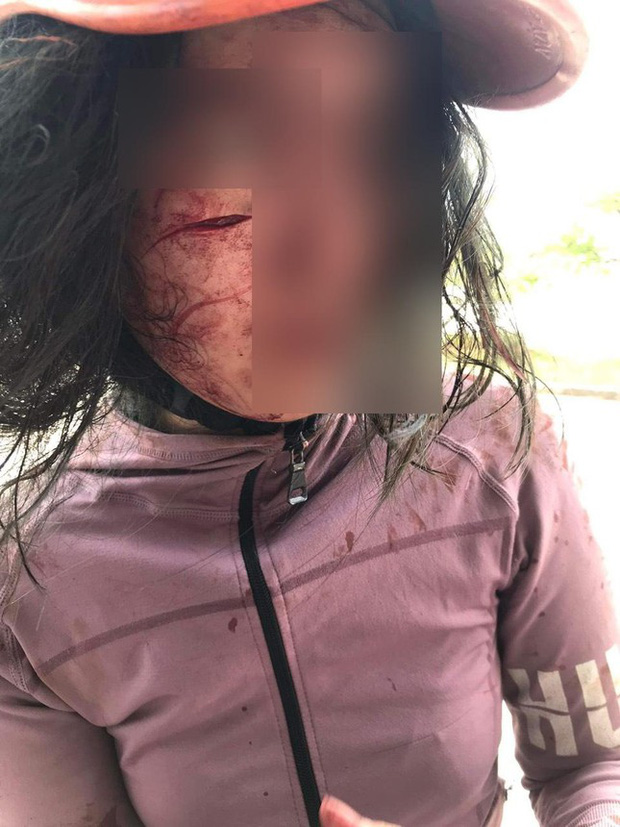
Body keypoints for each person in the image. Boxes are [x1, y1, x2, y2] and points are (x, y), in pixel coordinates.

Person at [0, 1, 617, 826]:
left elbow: (592, 761)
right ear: (81, 193)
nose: (336, 244)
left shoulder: (492, 445)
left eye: (377, 146)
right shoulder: (31, 577)